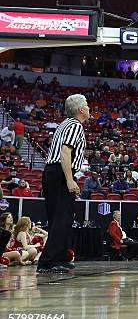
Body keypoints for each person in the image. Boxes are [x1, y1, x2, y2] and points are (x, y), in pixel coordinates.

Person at [37, 94, 89, 274]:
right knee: (63, 217)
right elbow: (65, 152)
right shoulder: (76, 126)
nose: (89, 109)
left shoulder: (64, 124)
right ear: (81, 110)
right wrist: (69, 179)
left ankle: (59, 257)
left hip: (51, 172)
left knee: (56, 217)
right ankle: (47, 261)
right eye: (87, 106)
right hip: (61, 172)